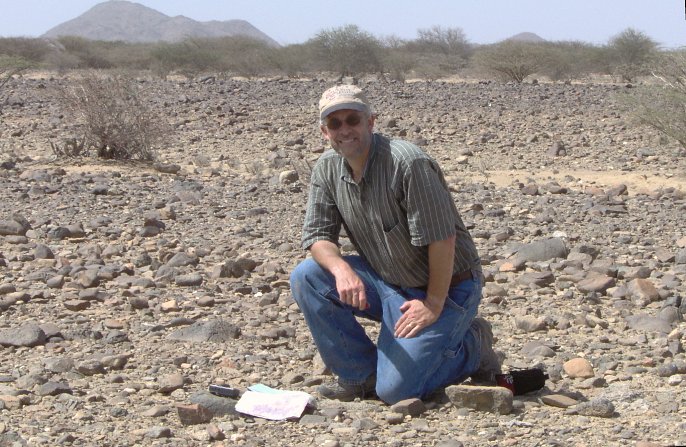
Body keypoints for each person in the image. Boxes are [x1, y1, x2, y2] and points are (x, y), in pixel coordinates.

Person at [289, 84, 500, 405]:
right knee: (308, 276)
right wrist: (341, 269)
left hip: (447, 288)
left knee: (398, 392)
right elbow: (317, 237)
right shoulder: (327, 168)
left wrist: (432, 304)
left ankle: (473, 346)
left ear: (370, 122)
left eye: (353, 120)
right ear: (324, 131)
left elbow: (442, 239)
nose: (345, 129)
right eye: (335, 123)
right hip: (389, 281)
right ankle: (361, 376)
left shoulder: (407, 163)